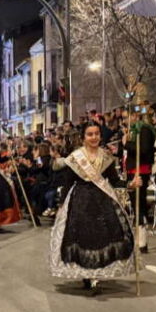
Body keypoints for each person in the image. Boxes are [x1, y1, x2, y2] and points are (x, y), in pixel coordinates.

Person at [49, 121, 138, 290]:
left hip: (102, 201)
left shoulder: (106, 157)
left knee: (102, 237)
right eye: (90, 134)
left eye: (96, 133)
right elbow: (68, 183)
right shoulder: (75, 158)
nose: (94, 137)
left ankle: (97, 270)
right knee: (82, 237)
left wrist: (131, 184)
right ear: (83, 137)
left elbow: (114, 181)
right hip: (80, 201)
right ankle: (86, 273)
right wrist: (61, 205)